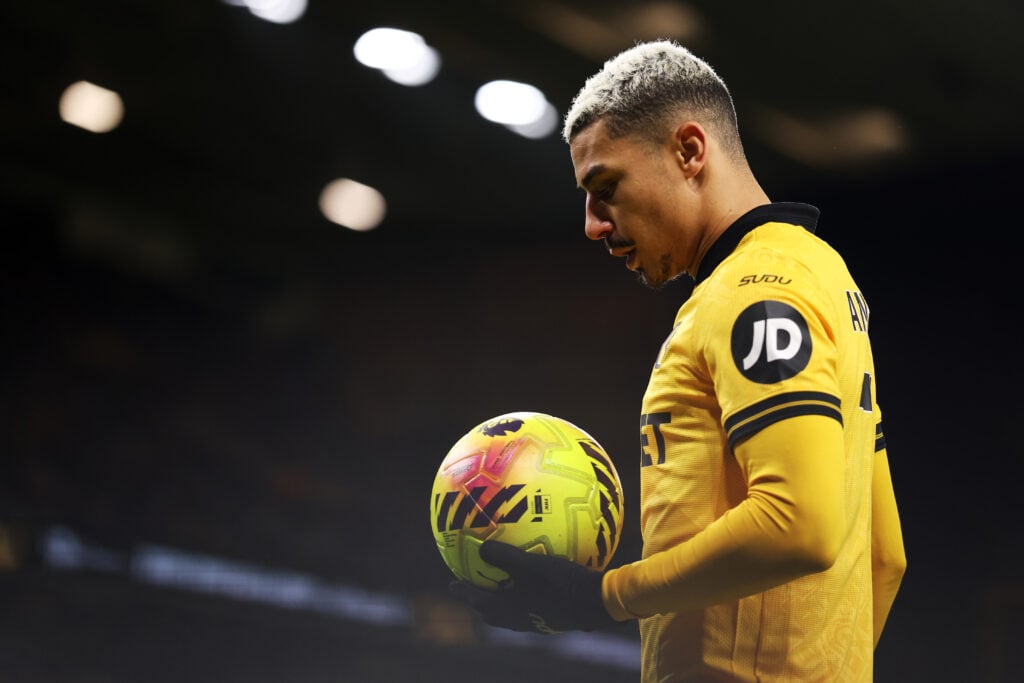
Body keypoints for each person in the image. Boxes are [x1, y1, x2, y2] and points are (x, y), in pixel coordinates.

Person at [450, 39, 907, 681]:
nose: (593, 224)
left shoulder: (756, 292)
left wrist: (602, 598)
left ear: (689, 151)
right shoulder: (820, 277)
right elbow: (884, 555)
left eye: (606, 187)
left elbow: (799, 524)